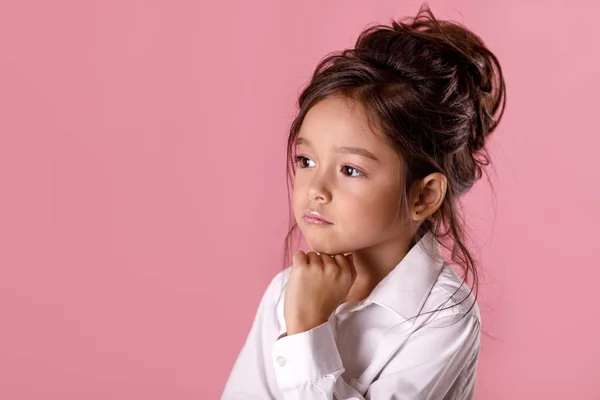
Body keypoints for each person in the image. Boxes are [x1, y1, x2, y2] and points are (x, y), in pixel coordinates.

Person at [221, 3, 506, 399]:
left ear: (423, 196)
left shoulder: (443, 319)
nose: (315, 188)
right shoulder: (287, 291)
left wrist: (306, 330)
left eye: (350, 170)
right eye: (306, 160)